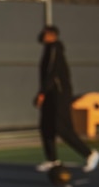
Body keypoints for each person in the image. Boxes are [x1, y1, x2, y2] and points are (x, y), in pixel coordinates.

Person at [34, 25, 98, 173]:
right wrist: (43, 93)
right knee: (46, 126)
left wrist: (42, 93)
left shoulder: (55, 47)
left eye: (44, 33)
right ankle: (52, 160)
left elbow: (52, 72)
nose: (41, 36)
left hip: (59, 95)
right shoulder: (48, 49)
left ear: (51, 35)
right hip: (50, 95)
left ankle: (89, 154)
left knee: (62, 127)